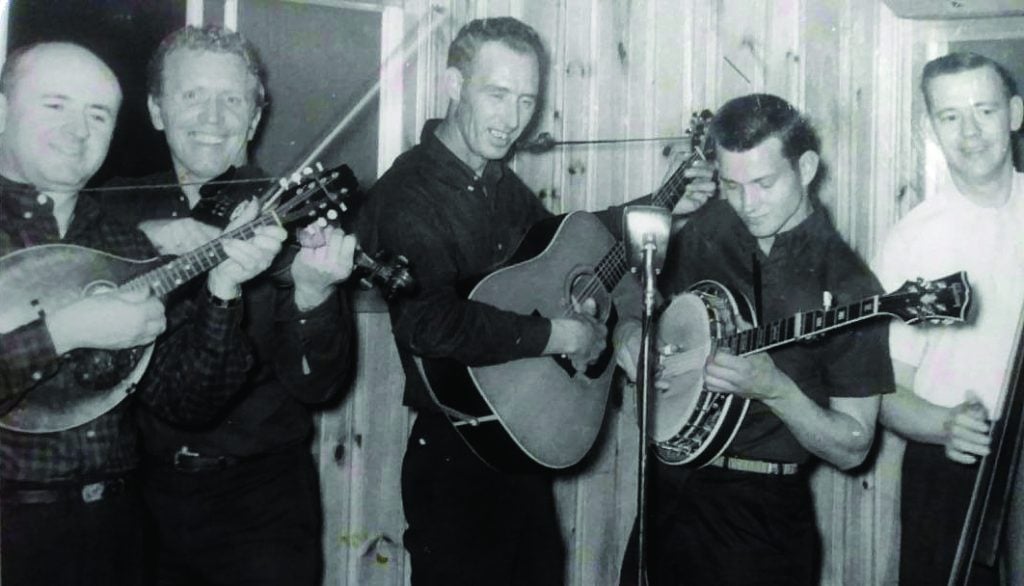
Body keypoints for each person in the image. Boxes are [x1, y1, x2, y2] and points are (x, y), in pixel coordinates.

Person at [357, 16, 707, 586]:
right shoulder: (407, 194)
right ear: (452, 85)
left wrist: (660, 204)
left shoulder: (499, 185)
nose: (512, 119)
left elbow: (572, 248)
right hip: (454, 458)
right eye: (496, 95)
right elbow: (433, 324)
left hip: (522, 443)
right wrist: (564, 336)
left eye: (526, 100)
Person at [0, 42, 284, 586]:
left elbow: (187, 402)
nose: (78, 129)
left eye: (98, 114)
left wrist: (222, 288)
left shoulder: (118, 238)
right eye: (55, 105)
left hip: (116, 530)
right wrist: (65, 332)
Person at [95, 24, 357, 586]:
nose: (213, 118)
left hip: (260, 505)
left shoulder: (284, 212)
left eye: (232, 99)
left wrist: (316, 293)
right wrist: (153, 237)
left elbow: (320, 386)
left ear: (254, 119)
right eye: (193, 96)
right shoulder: (111, 209)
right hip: (136, 496)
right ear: (158, 110)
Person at [616, 93, 896, 586]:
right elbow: (633, 294)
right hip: (665, 497)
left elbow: (853, 446)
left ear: (806, 168)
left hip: (759, 522)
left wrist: (775, 389)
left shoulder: (852, 287)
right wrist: (631, 333)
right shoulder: (710, 228)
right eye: (732, 184)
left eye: (764, 183)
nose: (747, 204)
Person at [872, 52, 1024, 586]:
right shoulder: (913, 239)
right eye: (950, 116)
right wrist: (944, 425)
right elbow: (888, 391)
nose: (970, 132)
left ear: (1015, 113)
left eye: (984, 111)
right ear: (930, 127)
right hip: (952, 468)